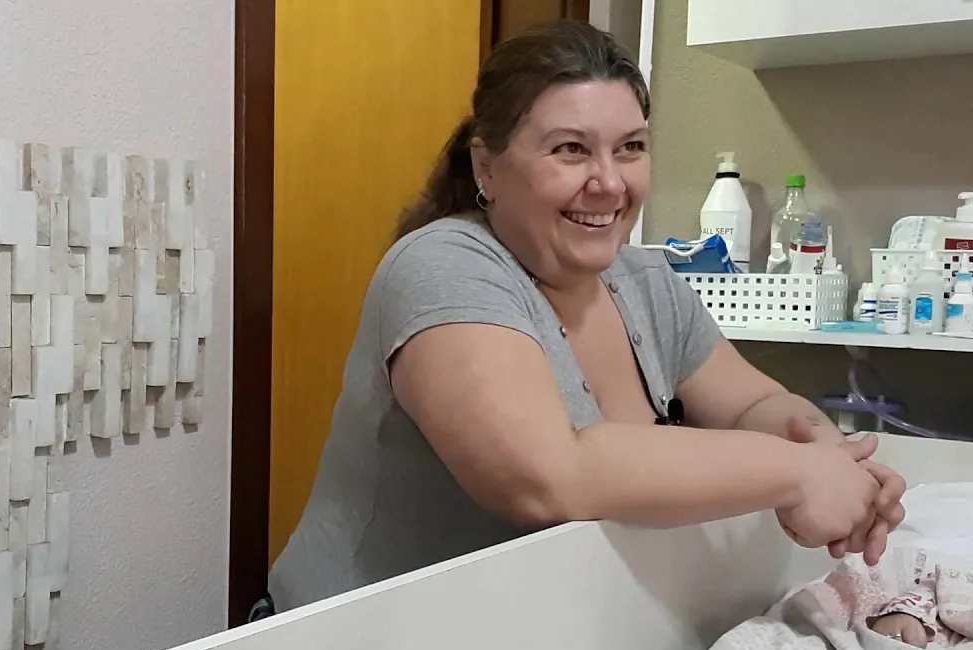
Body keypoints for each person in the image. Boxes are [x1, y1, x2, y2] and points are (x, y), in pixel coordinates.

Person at [265, 19, 906, 614]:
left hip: (535, 638)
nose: (609, 182)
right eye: (571, 149)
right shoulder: (445, 266)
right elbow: (549, 477)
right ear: (487, 167)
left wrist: (829, 455)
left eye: (630, 148)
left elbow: (753, 405)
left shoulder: (646, 281)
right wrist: (795, 474)